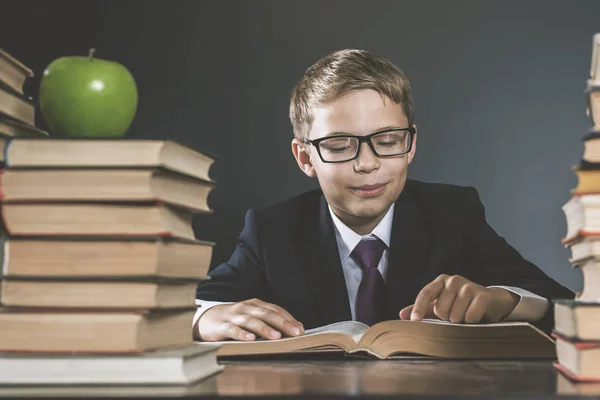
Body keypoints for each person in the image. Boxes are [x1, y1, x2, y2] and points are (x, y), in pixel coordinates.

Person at [193, 49, 574, 342]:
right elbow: (193, 304)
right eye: (341, 146)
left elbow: (556, 301)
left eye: (388, 141)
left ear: (410, 145)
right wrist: (206, 317)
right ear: (305, 157)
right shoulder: (271, 231)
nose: (367, 163)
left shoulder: (453, 214)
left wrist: (501, 300)